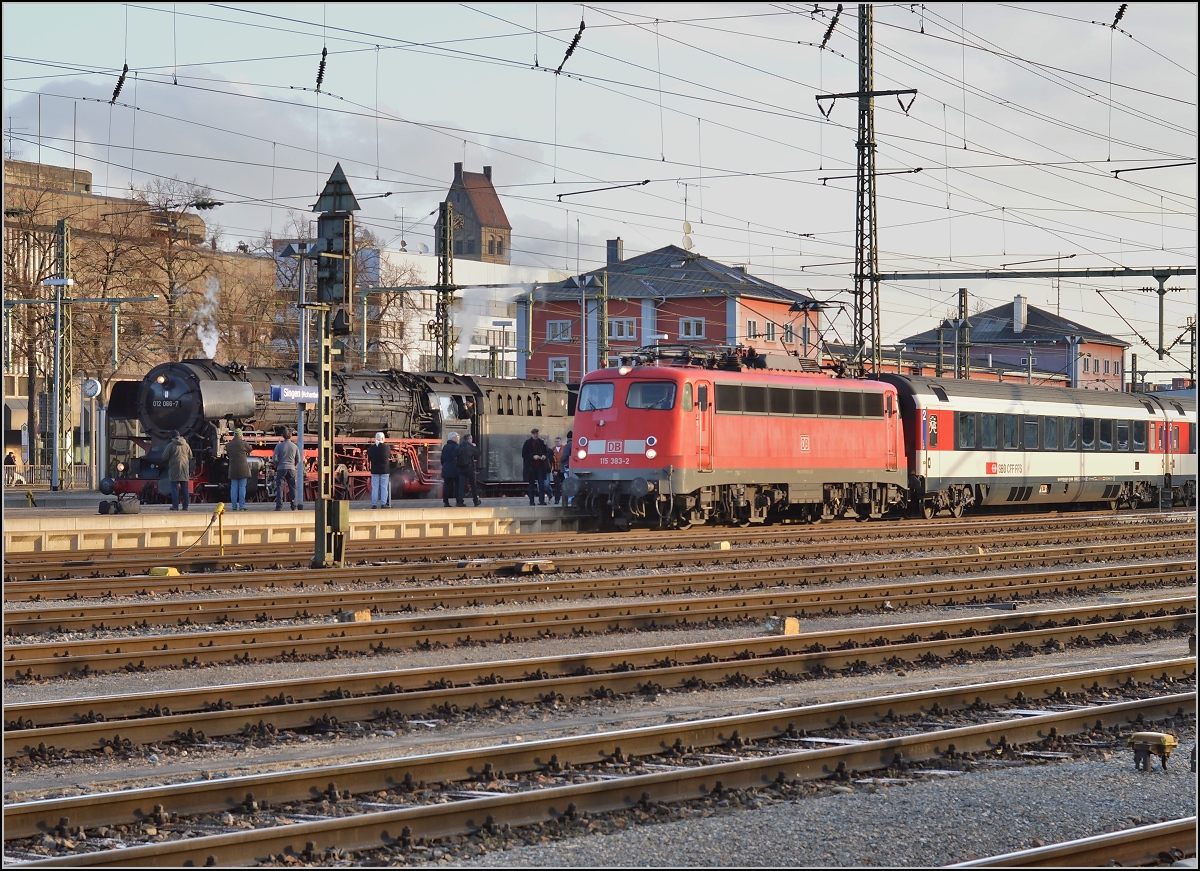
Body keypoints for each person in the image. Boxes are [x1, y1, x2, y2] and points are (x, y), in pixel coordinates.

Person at [162, 429, 194, 511]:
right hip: (184, 469)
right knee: (185, 489)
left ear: (172, 437)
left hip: (174, 469)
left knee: (174, 489)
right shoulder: (186, 445)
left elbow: (164, 457)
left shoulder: (171, 445)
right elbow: (190, 456)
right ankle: (185, 506)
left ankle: (175, 506)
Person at [273, 428, 302, 511]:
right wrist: (294, 465)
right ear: (291, 436)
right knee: (292, 487)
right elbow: (298, 459)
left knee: (280, 487)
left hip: (281, 468)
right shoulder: (295, 447)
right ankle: (294, 506)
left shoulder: (278, 446)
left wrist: (277, 465)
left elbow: (274, 459)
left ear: (283, 436)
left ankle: (279, 506)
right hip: (292, 469)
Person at [225, 429, 253, 511]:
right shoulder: (243, 443)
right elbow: (250, 449)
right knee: (242, 487)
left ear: (234, 435)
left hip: (233, 468)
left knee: (233, 488)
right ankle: (242, 506)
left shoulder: (229, 445)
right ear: (240, 435)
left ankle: (234, 507)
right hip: (243, 469)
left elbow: (227, 453)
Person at [521, 428, 550, 506]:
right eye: (534, 434)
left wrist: (544, 456)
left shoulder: (541, 443)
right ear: (532, 434)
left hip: (540, 466)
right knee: (531, 485)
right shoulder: (527, 443)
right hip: (531, 467)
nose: (535, 435)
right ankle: (531, 501)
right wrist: (533, 457)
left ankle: (541, 501)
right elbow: (524, 455)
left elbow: (546, 452)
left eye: (536, 434)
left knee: (541, 484)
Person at [368, 432, 393, 509]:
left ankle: (374, 504)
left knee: (374, 487)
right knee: (384, 487)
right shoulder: (387, 447)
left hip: (375, 470)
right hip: (384, 470)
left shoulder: (372, 448)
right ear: (382, 438)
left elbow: (369, 458)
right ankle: (383, 504)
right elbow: (390, 456)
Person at [455, 433, 482, 507]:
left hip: (460, 468)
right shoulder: (470, 446)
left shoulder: (459, 446)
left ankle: (460, 502)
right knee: (473, 485)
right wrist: (475, 446)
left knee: (461, 485)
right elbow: (479, 453)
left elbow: (453, 455)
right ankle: (476, 501)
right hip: (469, 468)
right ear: (469, 439)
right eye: (471, 439)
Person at [440, 432, 460, 508]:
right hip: (455, 469)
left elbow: (442, 458)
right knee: (458, 486)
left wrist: (444, 465)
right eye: (456, 437)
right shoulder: (456, 447)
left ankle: (446, 502)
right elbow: (458, 458)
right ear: (453, 438)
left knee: (446, 486)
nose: (457, 439)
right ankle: (458, 501)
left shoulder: (445, 447)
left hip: (446, 468)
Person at [550, 437, 566, 505]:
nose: (557, 442)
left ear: (561, 442)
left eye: (558, 441)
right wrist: (553, 470)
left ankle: (565, 499)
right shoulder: (552, 449)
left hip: (563, 469)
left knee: (564, 485)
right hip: (556, 470)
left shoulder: (564, 448)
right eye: (556, 441)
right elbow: (551, 461)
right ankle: (557, 499)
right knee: (557, 485)